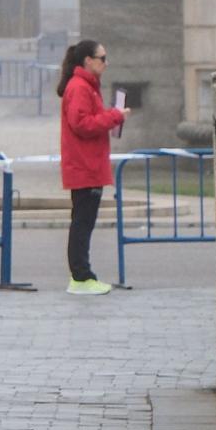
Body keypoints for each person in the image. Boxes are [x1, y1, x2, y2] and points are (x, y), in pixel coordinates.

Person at [57, 38, 128, 295]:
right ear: (88, 60)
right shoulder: (80, 87)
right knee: (82, 224)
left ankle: (82, 275)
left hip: (88, 165)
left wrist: (110, 116)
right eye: (102, 58)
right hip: (84, 166)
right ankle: (81, 276)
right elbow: (83, 124)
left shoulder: (86, 87)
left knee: (83, 223)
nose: (106, 63)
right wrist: (115, 116)